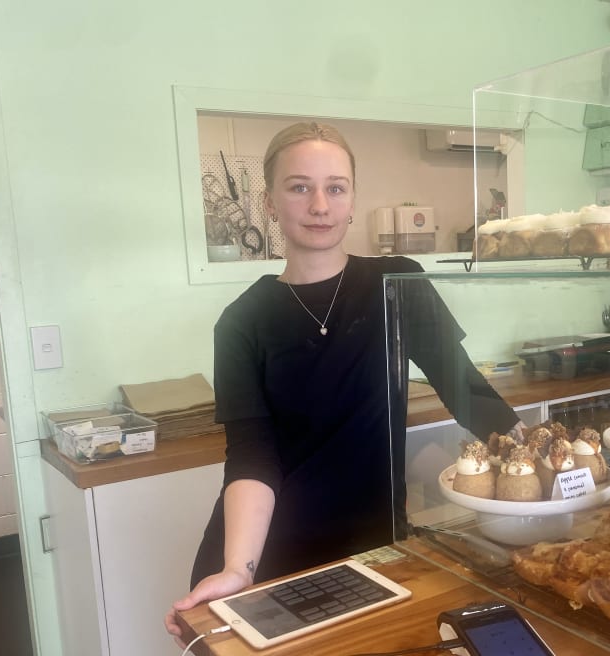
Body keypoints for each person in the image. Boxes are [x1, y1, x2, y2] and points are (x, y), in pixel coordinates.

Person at [165, 121, 520, 644]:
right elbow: (250, 454)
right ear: (269, 202)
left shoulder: (397, 283)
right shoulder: (242, 321)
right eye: (299, 186)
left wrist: (548, 467)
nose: (319, 205)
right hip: (273, 556)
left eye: (335, 187)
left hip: (374, 545)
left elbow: (466, 389)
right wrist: (239, 569)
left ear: (352, 199)